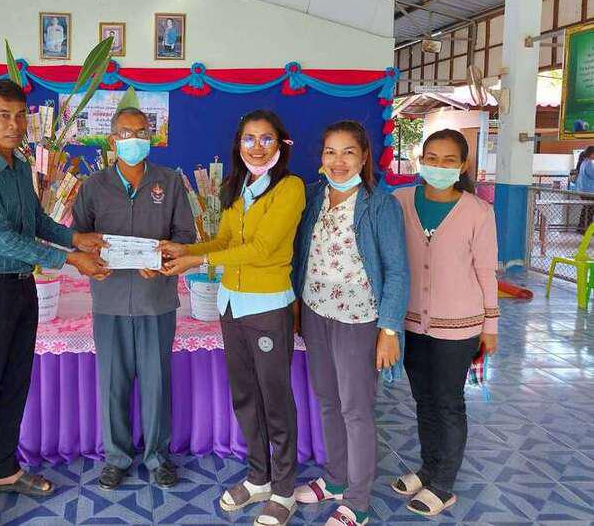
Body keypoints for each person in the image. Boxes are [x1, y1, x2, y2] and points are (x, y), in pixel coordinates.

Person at [0, 80, 109, 526]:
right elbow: (3, 239)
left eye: (20, 115)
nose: (15, 124)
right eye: (3, 115)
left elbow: (35, 222)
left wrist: (76, 238)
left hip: (20, 287)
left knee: (14, 382)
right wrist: (72, 259)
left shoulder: (19, 166)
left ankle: (2, 470)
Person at [160, 110, 305, 526]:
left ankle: (284, 489)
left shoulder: (290, 188)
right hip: (232, 307)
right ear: (238, 145)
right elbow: (224, 240)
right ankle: (259, 477)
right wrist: (183, 250)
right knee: (245, 396)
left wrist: (197, 260)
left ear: (281, 144)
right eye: (248, 139)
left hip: (267, 308)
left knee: (275, 400)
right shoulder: (236, 187)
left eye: (266, 138)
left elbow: (261, 249)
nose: (257, 147)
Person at [290, 121, 410, 526]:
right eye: (330, 152)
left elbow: (397, 271)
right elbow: (301, 255)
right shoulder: (313, 197)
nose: (338, 161)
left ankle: (357, 502)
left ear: (364, 157)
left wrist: (389, 329)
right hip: (315, 312)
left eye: (348, 152)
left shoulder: (380, 205)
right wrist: (296, 306)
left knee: (355, 409)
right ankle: (336, 478)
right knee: (327, 400)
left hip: (359, 319)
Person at [71, 107, 196, 490]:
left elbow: (185, 237)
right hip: (109, 299)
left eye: (141, 132)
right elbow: (78, 239)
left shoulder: (169, 182)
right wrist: (89, 259)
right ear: (113, 140)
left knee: (156, 382)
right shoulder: (93, 186)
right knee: (113, 383)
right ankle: (116, 457)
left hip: (155, 299)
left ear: (151, 138)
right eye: (126, 133)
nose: (134, 139)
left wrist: (162, 261)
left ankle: (158, 457)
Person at [391, 129, 498, 518]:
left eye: (449, 160)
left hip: (459, 326)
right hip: (411, 322)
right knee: (423, 400)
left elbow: (486, 272)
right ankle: (428, 469)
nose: (439, 166)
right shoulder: (401, 200)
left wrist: (491, 326)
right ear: (421, 160)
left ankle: (443, 484)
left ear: (463, 165)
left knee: (448, 402)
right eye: (431, 158)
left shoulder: (478, 212)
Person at [574, 145, 594, 232]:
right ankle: (586, 229)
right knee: (589, 211)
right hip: (589, 192)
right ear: (591, 154)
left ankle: (582, 228)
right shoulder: (589, 163)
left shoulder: (583, 162)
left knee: (586, 210)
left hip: (583, 191)